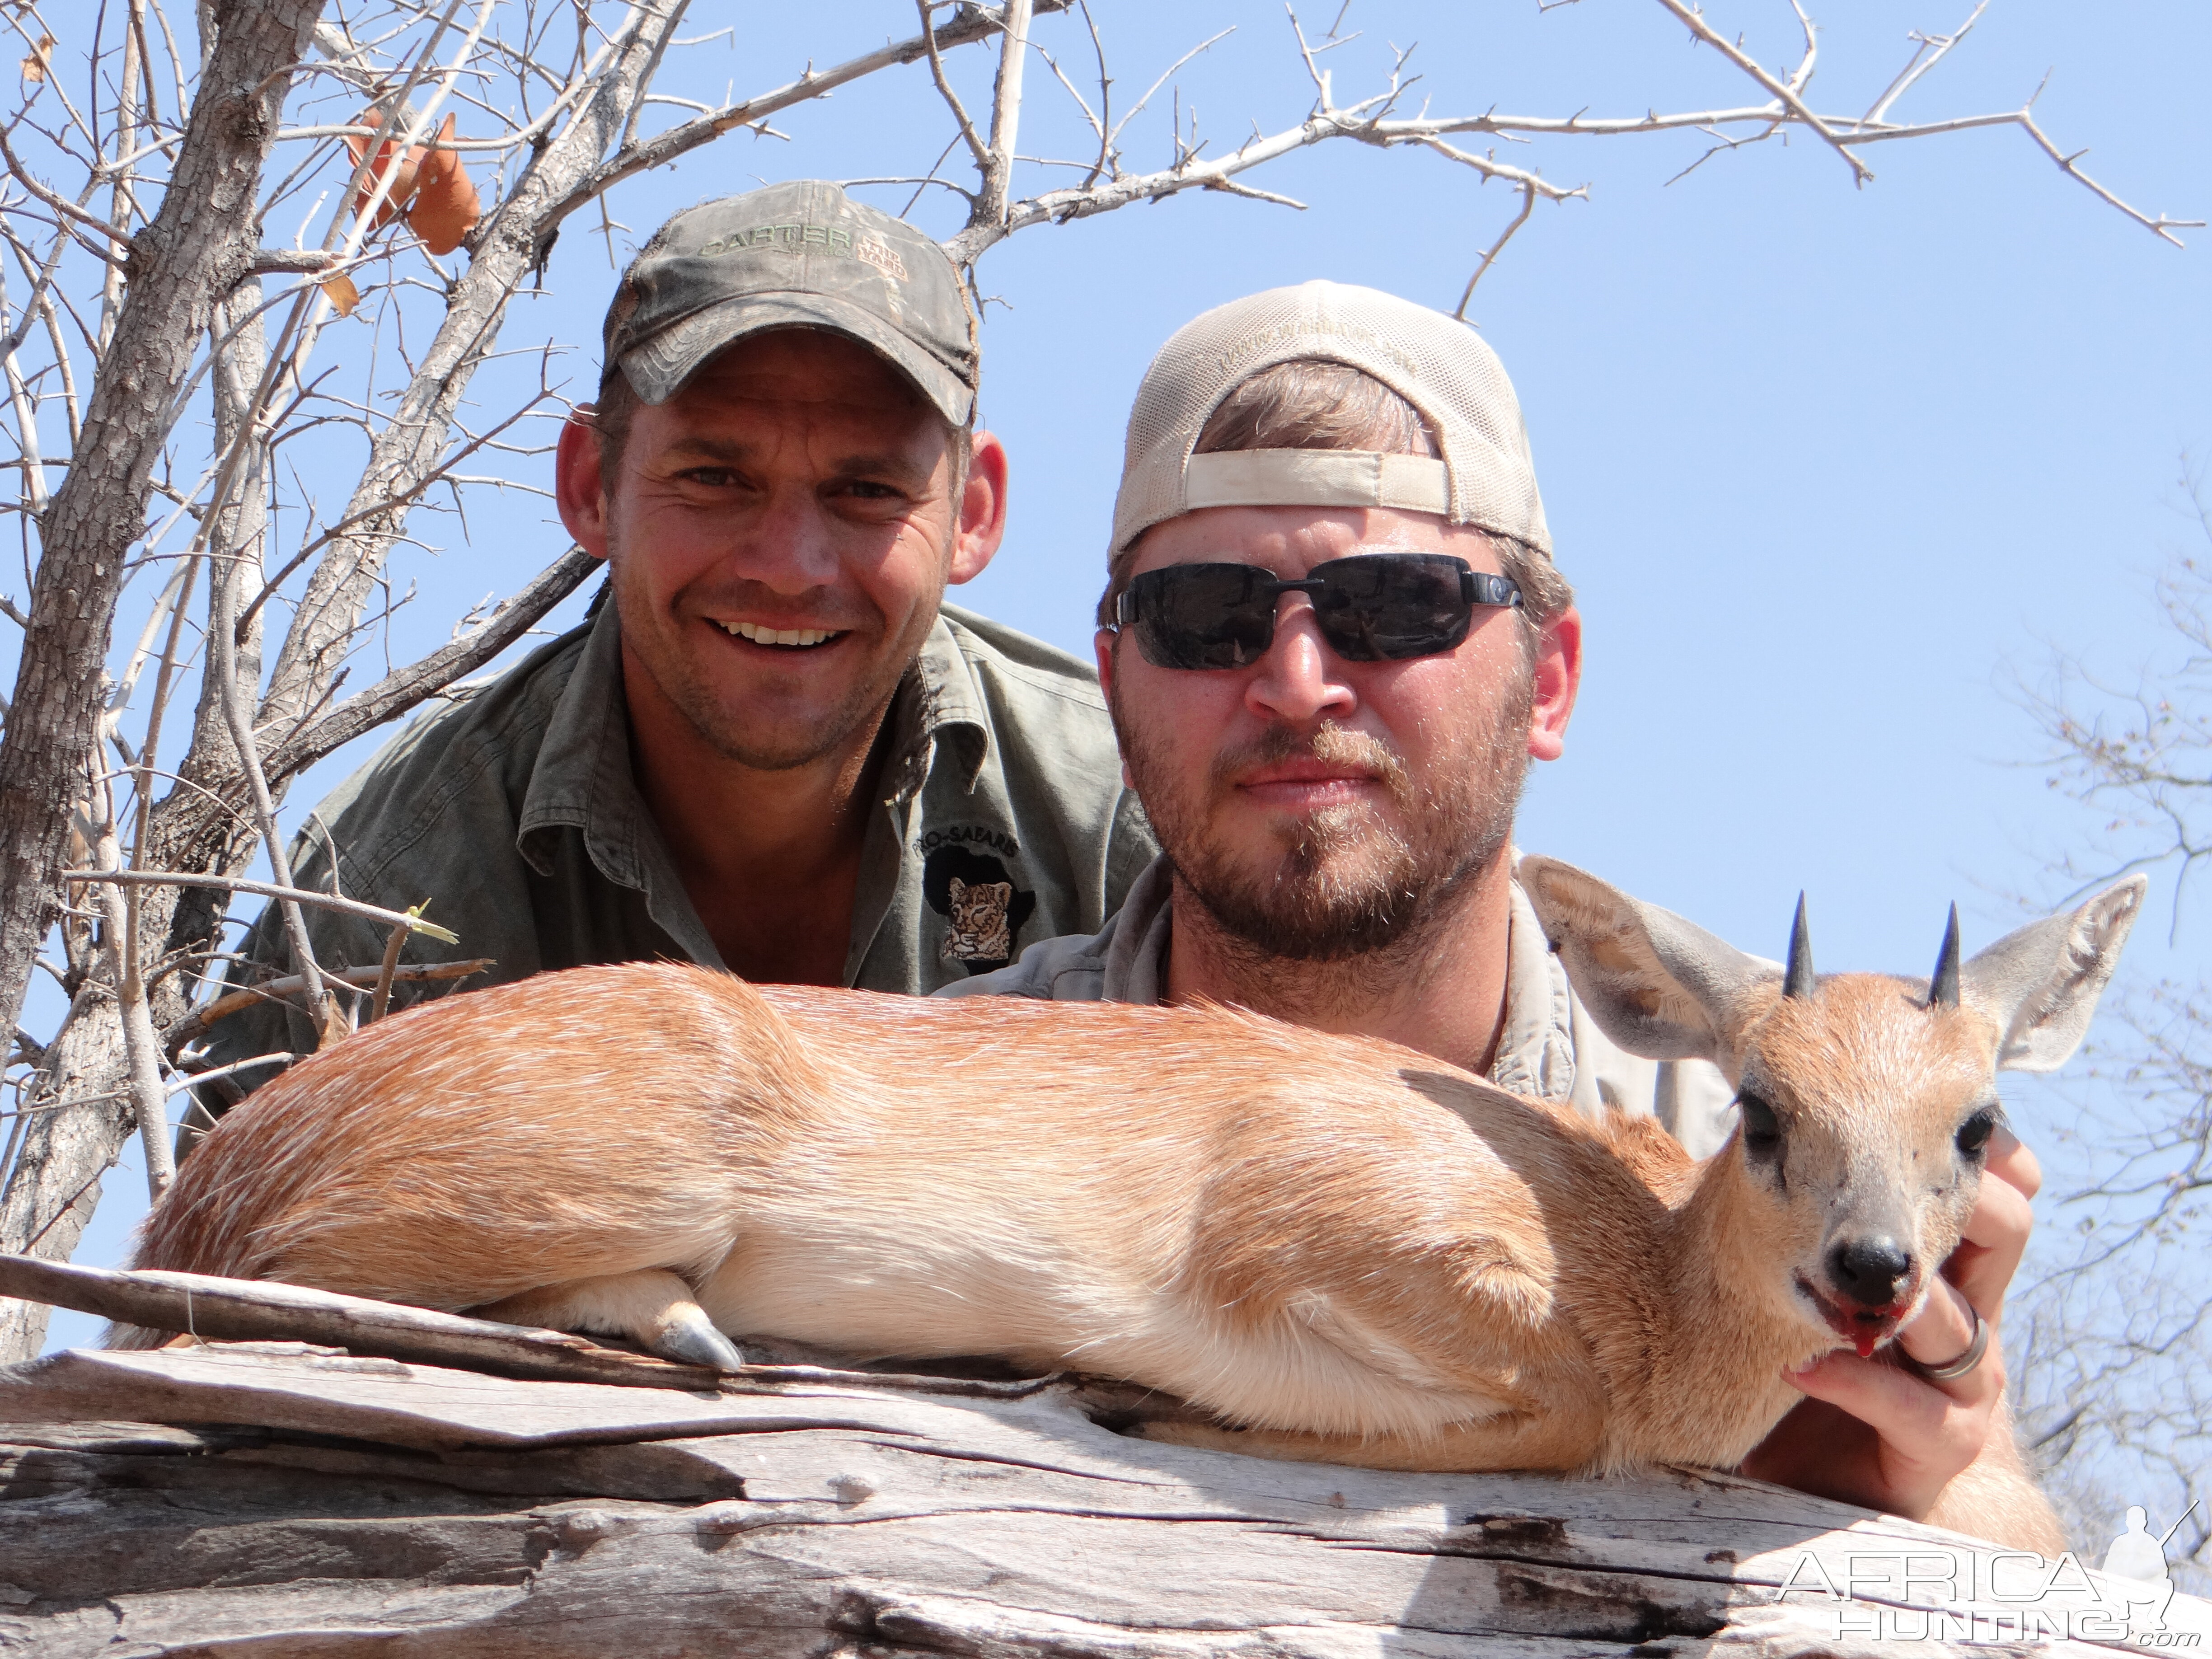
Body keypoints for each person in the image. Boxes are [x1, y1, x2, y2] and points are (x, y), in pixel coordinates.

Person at [944, 279, 2051, 1533]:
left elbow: (2007, 1531)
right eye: (1206, 618)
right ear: (1113, 679)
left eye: (1397, 607)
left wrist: (1881, 1517)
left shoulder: (1761, 1129)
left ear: (1551, 682)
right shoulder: (954, 1089)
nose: (1298, 682)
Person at [197, 181, 1154, 1106]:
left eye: (866, 492)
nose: (788, 567)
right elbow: (220, 1257)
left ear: (973, 516)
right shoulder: (384, 898)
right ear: (590, 488)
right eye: (714, 478)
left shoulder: (1123, 827)